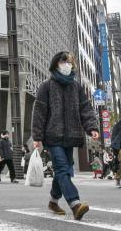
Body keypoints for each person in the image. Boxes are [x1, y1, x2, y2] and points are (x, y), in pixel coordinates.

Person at [32, 51, 99, 221]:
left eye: (70, 62)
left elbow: (85, 109)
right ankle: (75, 204)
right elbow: (39, 112)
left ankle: (53, 201)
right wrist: (37, 136)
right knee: (62, 168)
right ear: (56, 64)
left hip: (72, 135)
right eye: (64, 62)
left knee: (65, 171)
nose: (67, 65)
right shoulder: (46, 86)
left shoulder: (76, 87)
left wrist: (91, 127)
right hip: (52, 136)